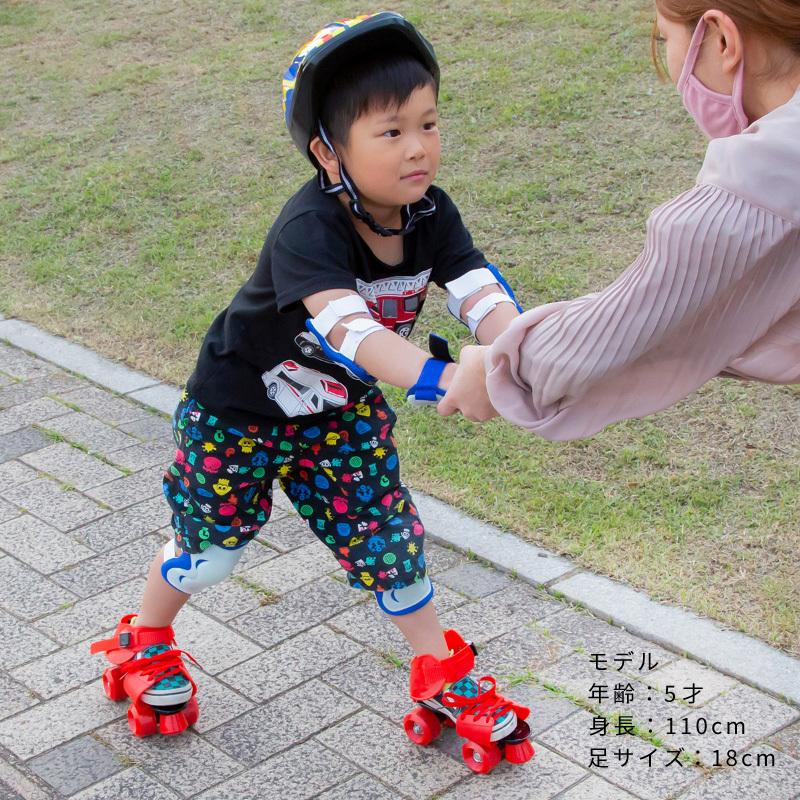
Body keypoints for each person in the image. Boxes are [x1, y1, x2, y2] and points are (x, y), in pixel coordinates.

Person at [90, 12, 533, 772]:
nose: (418, 146)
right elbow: (349, 331)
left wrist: (522, 349)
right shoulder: (309, 226)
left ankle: (438, 672)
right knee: (210, 554)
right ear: (329, 152)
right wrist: (441, 379)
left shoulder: (432, 212)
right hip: (236, 414)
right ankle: (145, 639)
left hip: (339, 418)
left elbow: (478, 291)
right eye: (390, 132)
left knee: (390, 544)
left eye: (428, 124)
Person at [438, 0, 800, 439]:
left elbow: (634, 322)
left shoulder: (767, 173)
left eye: (665, 39)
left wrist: (501, 369)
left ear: (722, 39)